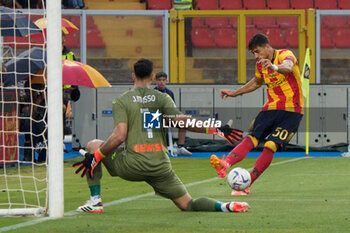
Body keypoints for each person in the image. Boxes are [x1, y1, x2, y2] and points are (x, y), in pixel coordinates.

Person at [73, 58, 248, 213]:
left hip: (132, 165)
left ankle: (96, 202)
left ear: (133, 76)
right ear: (152, 77)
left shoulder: (122, 100)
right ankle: (226, 206)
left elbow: (119, 136)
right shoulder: (162, 98)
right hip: (160, 167)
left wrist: (95, 157)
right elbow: (183, 122)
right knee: (189, 204)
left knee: (93, 145)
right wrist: (217, 128)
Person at [210, 33, 304, 195]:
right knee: (251, 138)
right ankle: (226, 163)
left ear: (267, 47)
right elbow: (256, 82)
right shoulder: (260, 65)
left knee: (270, 145)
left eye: (258, 51)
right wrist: (234, 93)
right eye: (253, 53)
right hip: (270, 108)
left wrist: (274, 66)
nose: (256, 56)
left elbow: (288, 67)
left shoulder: (285, 54)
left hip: (292, 110)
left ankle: (247, 184)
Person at [154, 72, 192, 156]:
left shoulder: (170, 93)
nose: (161, 82)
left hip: (168, 118)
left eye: (163, 80)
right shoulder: (152, 93)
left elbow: (172, 109)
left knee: (183, 122)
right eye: (159, 80)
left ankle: (180, 147)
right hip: (156, 118)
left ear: (166, 81)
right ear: (156, 81)